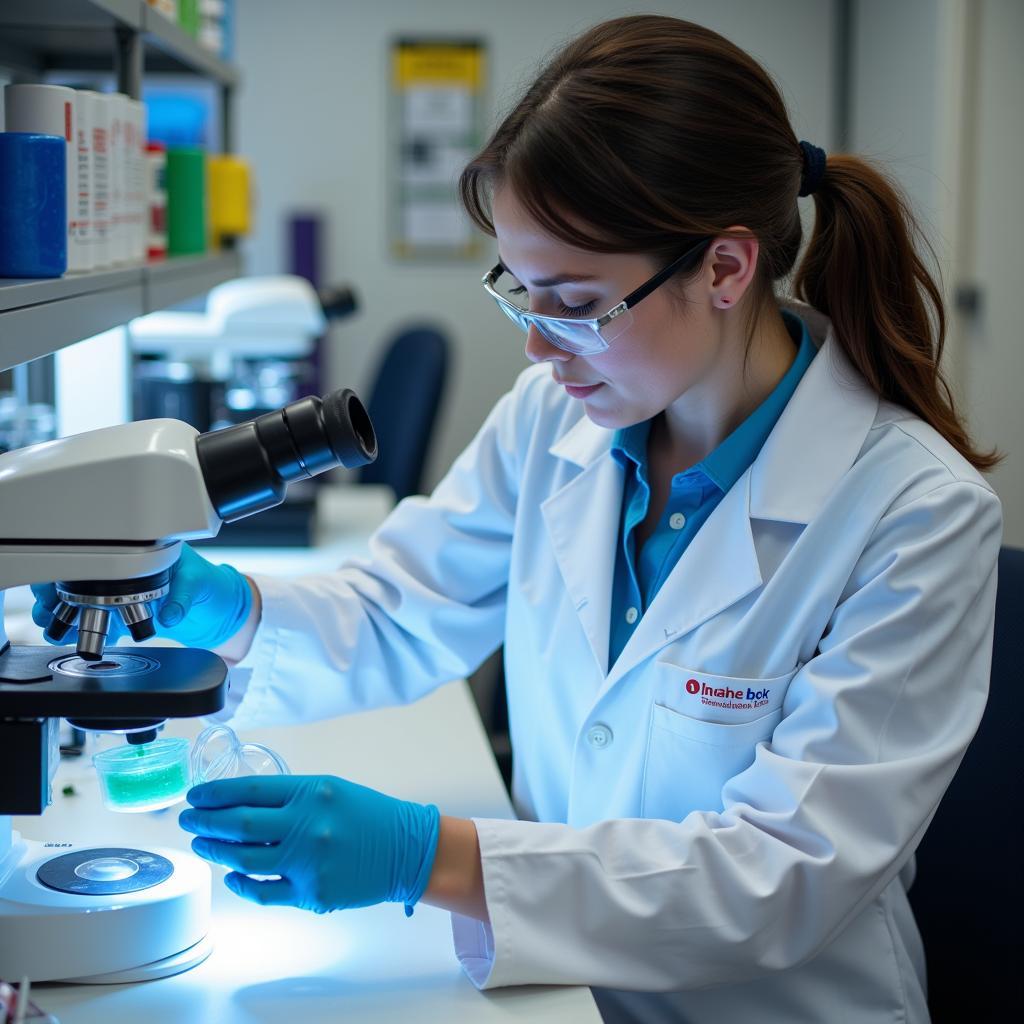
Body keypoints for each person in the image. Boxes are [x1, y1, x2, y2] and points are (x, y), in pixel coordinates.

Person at [34, 14, 1002, 1024]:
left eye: (576, 303)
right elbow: (406, 604)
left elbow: (782, 871)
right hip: (560, 988)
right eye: (520, 293)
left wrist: (428, 854)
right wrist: (211, 604)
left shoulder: (914, 514)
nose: (541, 348)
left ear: (725, 267)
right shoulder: (559, 417)